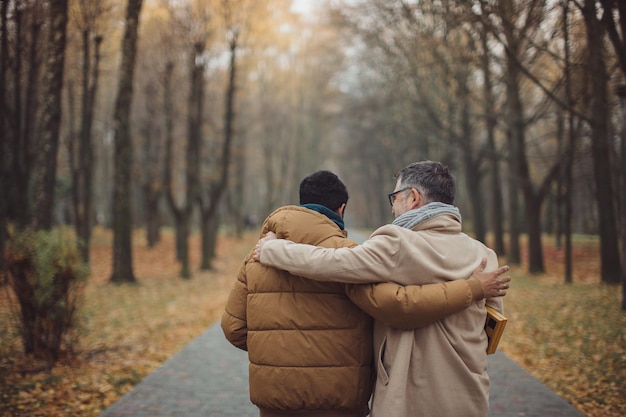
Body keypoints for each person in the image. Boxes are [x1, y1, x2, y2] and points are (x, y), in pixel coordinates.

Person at [222, 169, 509, 417]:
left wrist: (279, 352)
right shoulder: (484, 256)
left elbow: (233, 327)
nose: (393, 206)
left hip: (273, 399)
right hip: (340, 400)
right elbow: (399, 309)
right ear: (342, 209)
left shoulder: (257, 255)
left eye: (394, 197)